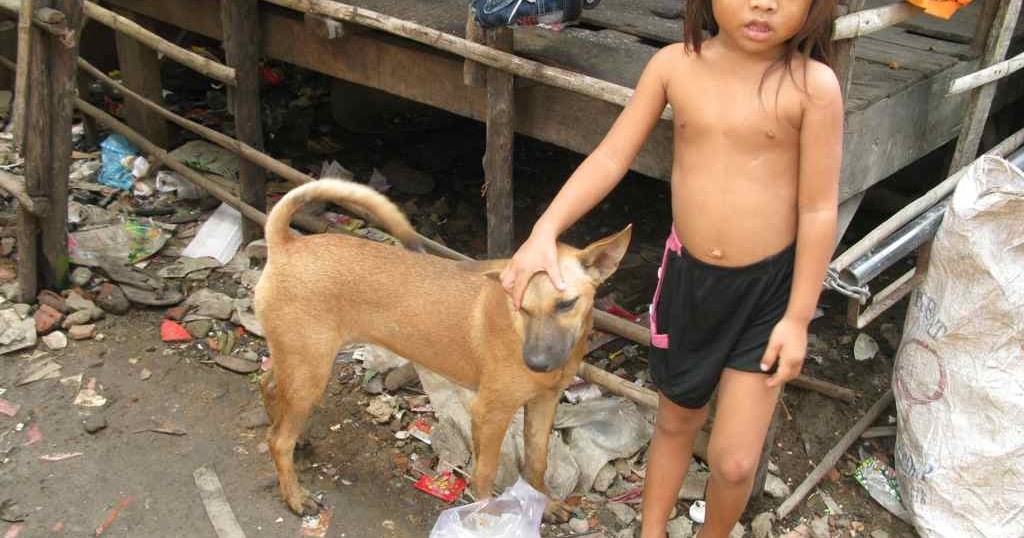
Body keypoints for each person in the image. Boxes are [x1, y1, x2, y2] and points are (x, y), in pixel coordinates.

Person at [499, 0, 843, 536]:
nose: (764, 3)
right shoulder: (675, 65)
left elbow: (819, 208)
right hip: (689, 284)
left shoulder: (813, 86)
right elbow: (612, 157)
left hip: (769, 293)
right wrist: (545, 229)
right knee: (677, 421)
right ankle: (651, 531)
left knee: (733, 460)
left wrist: (798, 318)